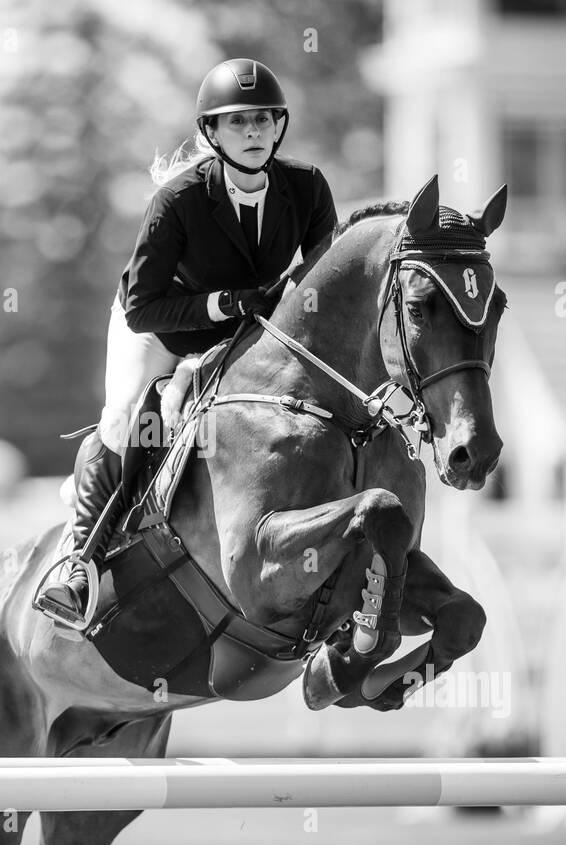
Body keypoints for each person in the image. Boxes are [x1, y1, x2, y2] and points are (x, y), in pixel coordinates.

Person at [36, 57, 339, 626]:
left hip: (243, 335)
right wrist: (222, 303)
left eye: (262, 120)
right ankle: (78, 562)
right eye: (237, 122)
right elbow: (141, 304)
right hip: (159, 328)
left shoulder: (307, 188)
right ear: (212, 133)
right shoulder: (177, 202)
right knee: (128, 417)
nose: (252, 132)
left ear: (279, 126)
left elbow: (327, 280)